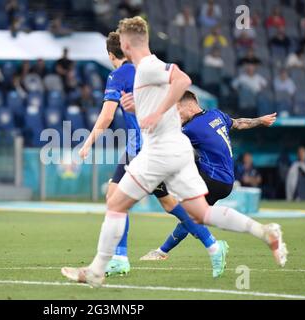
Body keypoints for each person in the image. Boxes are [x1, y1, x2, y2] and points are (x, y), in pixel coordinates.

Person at [61, 16, 287, 287]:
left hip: (159, 152)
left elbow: (183, 80)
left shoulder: (147, 67)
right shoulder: (145, 68)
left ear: (129, 43)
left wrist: (154, 113)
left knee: (115, 203)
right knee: (199, 212)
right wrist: (142, 108)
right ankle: (262, 233)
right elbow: (166, 94)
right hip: (175, 150)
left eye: (122, 41)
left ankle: (103, 266)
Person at [78, 32, 226, 279]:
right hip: (152, 144)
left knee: (116, 198)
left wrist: (87, 143)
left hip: (142, 148)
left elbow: (106, 116)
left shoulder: (118, 74)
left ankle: (120, 258)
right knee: (164, 202)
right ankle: (212, 244)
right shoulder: (148, 69)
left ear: (111, 55)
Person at [120, 92, 276, 262]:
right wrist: (261, 120)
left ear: (188, 105)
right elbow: (239, 123)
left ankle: (213, 245)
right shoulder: (217, 114)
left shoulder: (190, 128)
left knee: (165, 186)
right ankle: (161, 252)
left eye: (177, 111)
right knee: (190, 217)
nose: (177, 116)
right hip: (225, 181)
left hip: (212, 177)